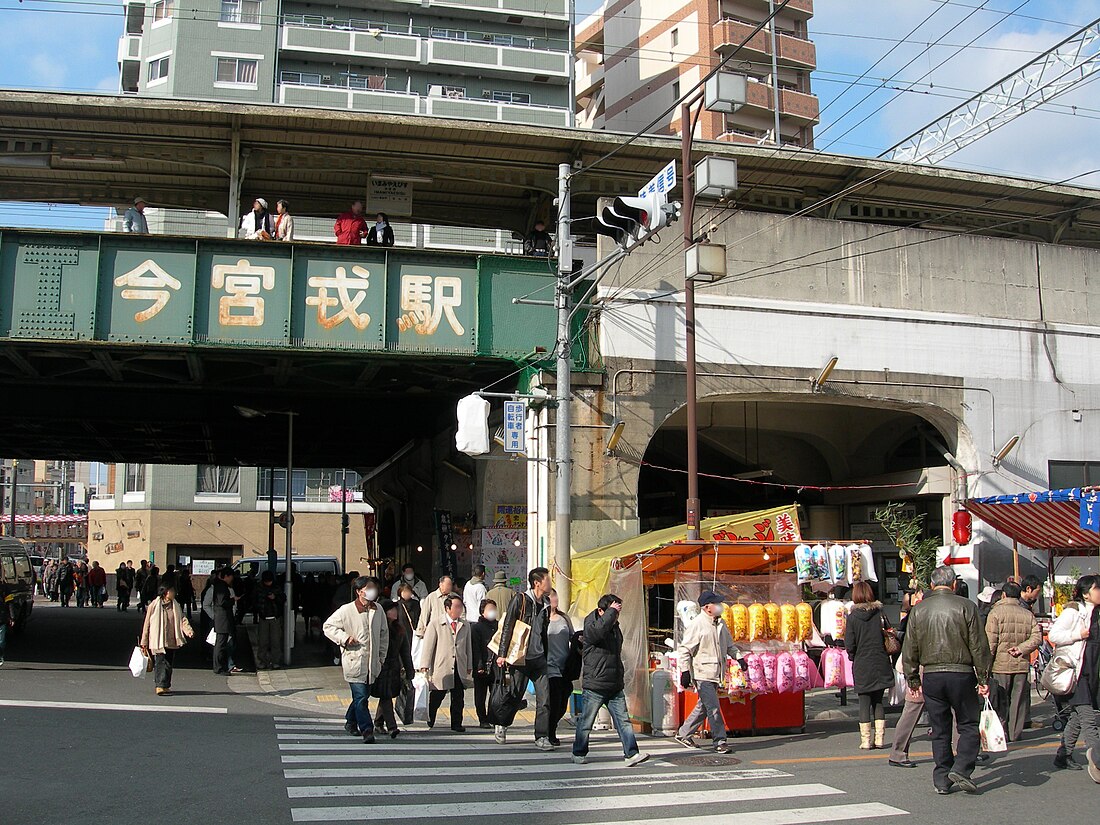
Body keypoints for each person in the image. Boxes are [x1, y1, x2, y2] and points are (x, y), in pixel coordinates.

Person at [902, 565, 992, 795]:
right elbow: (979, 647)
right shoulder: (967, 607)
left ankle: (942, 778)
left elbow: (909, 647)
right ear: (954, 585)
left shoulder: (919, 610)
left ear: (932, 586)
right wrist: (983, 677)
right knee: (968, 724)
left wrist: (912, 679)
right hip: (961, 673)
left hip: (931, 674)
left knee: (939, 727)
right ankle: (961, 767)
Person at [571, 593, 649, 767]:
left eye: (617, 613)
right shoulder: (591, 626)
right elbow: (597, 632)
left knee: (624, 721)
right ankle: (578, 752)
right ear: (601, 611)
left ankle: (631, 753)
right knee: (586, 722)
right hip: (595, 684)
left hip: (614, 684)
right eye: (613, 612)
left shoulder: (615, 628)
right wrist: (611, 612)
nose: (616, 616)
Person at [1048, 574, 1100, 781]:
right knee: (1088, 718)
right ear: (1086, 594)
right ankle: (1097, 760)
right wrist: (1077, 635)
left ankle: (1063, 754)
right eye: (1097, 589)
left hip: (1092, 672)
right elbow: (1053, 636)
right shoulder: (1074, 612)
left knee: (1078, 717)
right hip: (1076, 672)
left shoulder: (1096, 613)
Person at [325, 577, 389, 743]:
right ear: (359, 591)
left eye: (374, 588)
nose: (372, 591)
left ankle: (351, 721)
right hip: (354, 660)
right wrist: (344, 638)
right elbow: (329, 626)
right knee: (360, 697)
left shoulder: (378, 609)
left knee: (362, 697)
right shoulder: (347, 610)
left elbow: (384, 634)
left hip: (372, 663)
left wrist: (381, 657)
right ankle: (367, 729)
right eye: (368, 588)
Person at [675, 590, 739, 755]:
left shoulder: (720, 623)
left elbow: (730, 645)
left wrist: (740, 658)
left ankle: (684, 734)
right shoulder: (697, 624)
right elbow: (684, 650)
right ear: (707, 607)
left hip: (717, 673)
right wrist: (684, 672)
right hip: (702, 673)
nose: (720, 606)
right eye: (716, 603)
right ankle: (720, 741)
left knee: (704, 706)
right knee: (713, 708)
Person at [496, 567, 552, 749]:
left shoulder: (545, 603)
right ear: (537, 583)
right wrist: (502, 654)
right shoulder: (520, 600)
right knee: (514, 694)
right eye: (547, 580)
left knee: (544, 699)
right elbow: (508, 626)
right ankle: (502, 724)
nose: (550, 583)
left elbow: (544, 631)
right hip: (521, 657)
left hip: (539, 657)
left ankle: (541, 736)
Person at [985, 581, 1041, 742]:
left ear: (1003, 594)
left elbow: (990, 643)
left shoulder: (995, 613)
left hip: (1000, 665)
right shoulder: (1027, 614)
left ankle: (1000, 732)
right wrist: (1022, 648)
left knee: (1001, 700)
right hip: (1021, 664)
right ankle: (1015, 733)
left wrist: (985, 667)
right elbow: (1037, 637)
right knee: (1018, 701)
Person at [845, 580, 897, 750]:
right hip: (880, 661)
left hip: (862, 663)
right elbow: (890, 633)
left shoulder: (852, 618)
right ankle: (880, 739)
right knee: (879, 702)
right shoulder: (879, 614)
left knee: (864, 702)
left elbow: (850, 644)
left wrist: (853, 656)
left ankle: (866, 740)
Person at [419, 594, 473, 732]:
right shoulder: (436, 623)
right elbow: (428, 646)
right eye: (456, 607)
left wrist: (469, 665)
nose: (459, 610)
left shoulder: (464, 625)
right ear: (447, 608)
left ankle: (456, 723)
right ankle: (430, 718)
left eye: (461, 607)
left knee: (458, 697)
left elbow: (468, 647)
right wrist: (425, 665)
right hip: (442, 666)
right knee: (438, 695)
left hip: (459, 666)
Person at [139, 584, 194, 696]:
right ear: (165, 593)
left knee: (168, 663)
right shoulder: (154, 605)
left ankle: (166, 685)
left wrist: (188, 630)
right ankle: (160, 685)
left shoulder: (175, 605)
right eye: (172, 591)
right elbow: (147, 624)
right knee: (160, 662)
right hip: (157, 639)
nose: (174, 593)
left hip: (172, 639)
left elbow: (182, 619)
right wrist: (144, 641)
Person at [373, 599, 414, 739]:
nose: (395, 612)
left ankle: (378, 722)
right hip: (381, 666)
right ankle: (392, 726)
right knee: (385, 696)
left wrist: (410, 670)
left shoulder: (399, 629)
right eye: (392, 610)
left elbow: (405, 652)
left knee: (387, 695)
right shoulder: (378, 628)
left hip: (394, 667)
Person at [540, 588, 576, 746]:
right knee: (554, 701)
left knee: (563, 702)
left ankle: (551, 727)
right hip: (548, 666)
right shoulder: (540, 619)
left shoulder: (564, 618)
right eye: (550, 596)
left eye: (554, 595)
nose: (553, 599)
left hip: (565, 666)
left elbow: (572, 637)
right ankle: (550, 732)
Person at [471, 598, 498, 729]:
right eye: (490, 609)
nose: (493, 612)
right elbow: (475, 648)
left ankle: (492, 717)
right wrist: (479, 665)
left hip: (496, 666)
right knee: (480, 695)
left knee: (495, 694)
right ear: (483, 612)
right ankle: (483, 719)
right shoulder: (476, 628)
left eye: (494, 609)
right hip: (482, 665)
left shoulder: (499, 626)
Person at [255, 570, 286, 670]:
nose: (268, 583)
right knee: (263, 641)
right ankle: (262, 661)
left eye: (269, 581)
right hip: (263, 617)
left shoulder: (277, 588)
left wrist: (275, 597)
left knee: (276, 641)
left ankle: (275, 661)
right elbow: (254, 600)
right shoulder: (258, 588)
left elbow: (283, 599)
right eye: (266, 581)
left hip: (275, 617)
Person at [210, 567, 236, 676]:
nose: (231, 579)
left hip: (222, 618)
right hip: (223, 618)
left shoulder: (219, 585)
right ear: (226, 576)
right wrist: (232, 600)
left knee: (221, 643)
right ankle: (219, 667)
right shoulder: (221, 586)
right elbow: (222, 602)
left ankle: (219, 666)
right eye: (231, 577)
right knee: (221, 643)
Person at [0, 577, 11, 666]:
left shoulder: (5, 588)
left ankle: (0, 656)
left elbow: (10, 603)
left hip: (2, 617)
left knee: (1, 641)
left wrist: (12, 617)